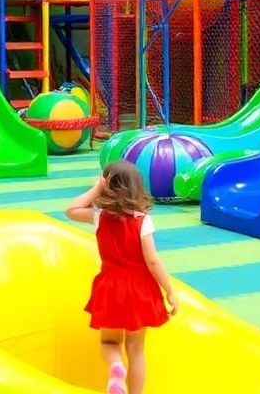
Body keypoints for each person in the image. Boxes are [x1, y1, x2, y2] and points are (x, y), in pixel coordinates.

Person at [66, 161, 177, 394]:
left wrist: (96, 189)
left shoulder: (99, 217)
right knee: (136, 349)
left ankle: (116, 366)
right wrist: (169, 290)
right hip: (140, 290)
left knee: (109, 342)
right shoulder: (142, 221)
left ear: (107, 185)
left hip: (110, 288)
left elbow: (71, 210)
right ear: (137, 187)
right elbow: (153, 261)